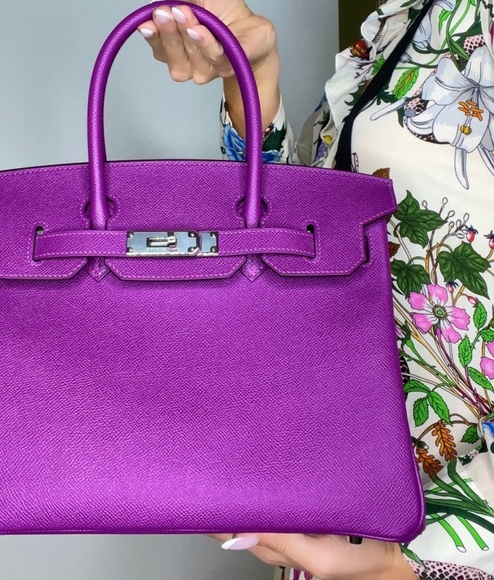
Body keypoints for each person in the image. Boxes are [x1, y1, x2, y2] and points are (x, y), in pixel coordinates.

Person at [138, 1, 494, 579]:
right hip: (333, 520)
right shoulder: (405, 21)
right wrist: (252, 79)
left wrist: (402, 565)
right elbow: (301, 245)